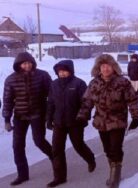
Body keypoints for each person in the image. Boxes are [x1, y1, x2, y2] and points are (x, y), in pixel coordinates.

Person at [76, 54, 138, 188]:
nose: (105, 69)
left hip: (118, 121)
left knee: (115, 148)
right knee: (107, 149)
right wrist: (82, 116)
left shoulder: (123, 82)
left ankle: (114, 177)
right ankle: (114, 169)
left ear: (113, 68)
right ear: (99, 68)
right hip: (101, 122)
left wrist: (135, 117)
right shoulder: (94, 83)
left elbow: (132, 100)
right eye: (103, 66)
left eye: (108, 66)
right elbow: (87, 101)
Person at [2, 52, 53, 186]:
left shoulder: (42, 75)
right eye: (24, 63)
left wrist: (51, 114)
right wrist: (7, 119)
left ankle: (56, 160)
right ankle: (22, 174)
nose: (27, 65)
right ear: (18, 65)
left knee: (39, 141)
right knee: (17, 146)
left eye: (29, 63)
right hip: (20, 116)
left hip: (38, 114)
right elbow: (7, 100)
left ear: (33, 63)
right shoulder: (11, 79)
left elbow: (53, 95)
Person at [46, 60, 96, 187]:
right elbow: (51, 102)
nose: (61, 73)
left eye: (64, 71)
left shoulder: (79, 83)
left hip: (75, 122)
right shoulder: (54, 84)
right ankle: (60, 177)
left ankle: (90, 158)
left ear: (70, 71)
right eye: (59, 71)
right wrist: (48, 119)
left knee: (78, 145)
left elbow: (86, 102)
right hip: (59, 122)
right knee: (56, 150)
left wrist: (83, 118)